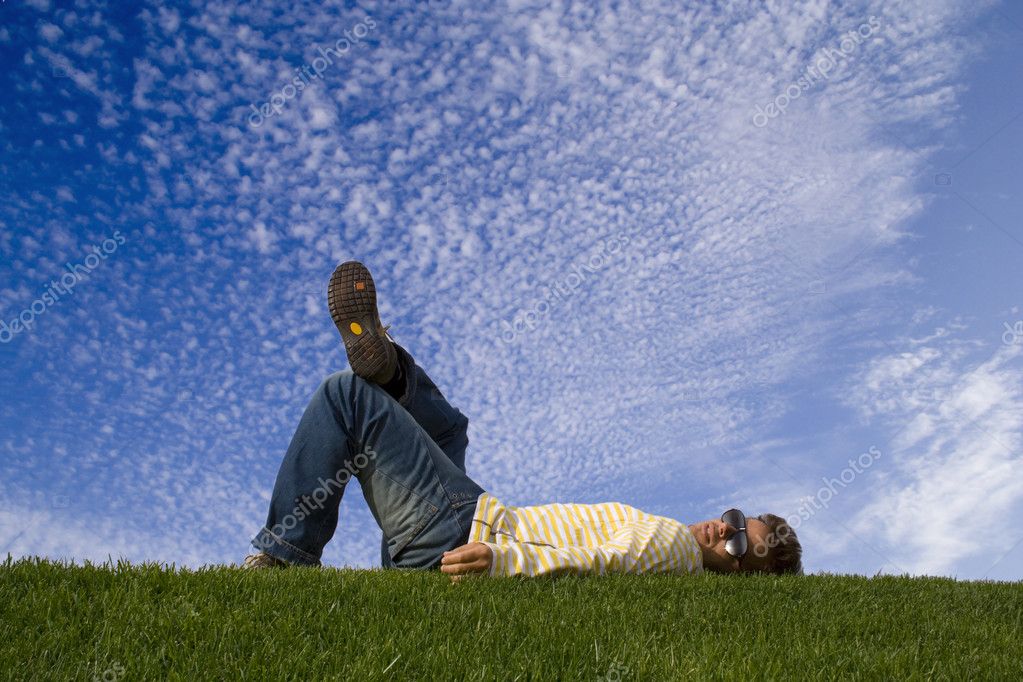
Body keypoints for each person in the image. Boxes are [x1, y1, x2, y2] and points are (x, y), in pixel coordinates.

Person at [244, 261, 803, 578]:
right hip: (451, 534)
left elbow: (600, 562)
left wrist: (503, 562)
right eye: (735, 519)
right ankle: (389, 372)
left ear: (738, 576)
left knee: (345, 397)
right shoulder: (676, 548)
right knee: (449, 430)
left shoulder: (673, 547)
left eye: (735, 545)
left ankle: (282, 560)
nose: (721, 531)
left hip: (464, 532)